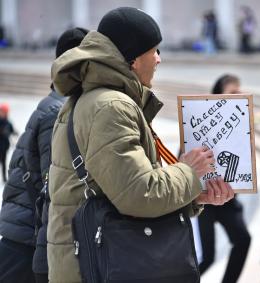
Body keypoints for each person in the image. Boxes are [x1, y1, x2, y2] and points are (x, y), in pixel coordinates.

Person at [47, 7, 234, 283]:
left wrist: (193, 195)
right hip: (97, 268)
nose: (159, 59)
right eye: (154, 50)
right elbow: (139, 194)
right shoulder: (111, 106)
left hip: (90, 263)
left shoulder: (95, 99)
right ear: (133, 59)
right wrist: (189, 171)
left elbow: (118, 188)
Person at [0, 27, 89, 283]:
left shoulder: (57, 104)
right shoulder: (58, 112)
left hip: (25, 235)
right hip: (26, 241)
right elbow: (52, 186)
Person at [197, 74, 251, 283]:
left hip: (228, 197)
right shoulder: (202, 121)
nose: (237, 96)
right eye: (232, 93)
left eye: (239, 92)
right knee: (207, 258)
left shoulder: (240, 123)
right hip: (205, 200)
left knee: (243, 240)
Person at [0, 103, 15, 183]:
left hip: (4, 146)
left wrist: (15, 132)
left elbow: (12, 130)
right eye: (2, 111)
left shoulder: (8, 122)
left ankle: (4, 178)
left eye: (5, 112)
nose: (3, 113)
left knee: (4, 162)